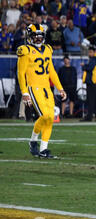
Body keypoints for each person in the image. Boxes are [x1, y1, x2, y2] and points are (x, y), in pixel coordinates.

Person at [17, 24, 67, 159]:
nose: (38, 39)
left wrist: (60, 88)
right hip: (34, 88)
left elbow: (51, 71)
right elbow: (21, 73)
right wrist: (24, 92)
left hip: (46, 88)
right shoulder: (25, 50)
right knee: (45, 116)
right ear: (29, 37)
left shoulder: (48, 49)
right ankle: (33, 140)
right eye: (35, 36)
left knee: (50, 118)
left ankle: (43, 149)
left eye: (40, 36)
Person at [81, 45, 96, 122]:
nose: (89, 53)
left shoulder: (94, 58)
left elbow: (90, 67)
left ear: (94, 52)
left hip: (93, 82)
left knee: (91, 100)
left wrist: (84, 66)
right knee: (95, 100)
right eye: (89, 52)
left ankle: (89, 117)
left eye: (91, 52)